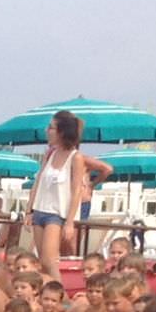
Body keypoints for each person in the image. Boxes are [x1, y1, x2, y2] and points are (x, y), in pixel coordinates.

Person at [24, 110, 110, 270]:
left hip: (57, 214)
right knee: (41, 262)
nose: (47, 131)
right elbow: (38, 181)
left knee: (49, 261)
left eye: (51, 128)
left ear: (61, 132)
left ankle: (61, 292)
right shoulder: (50, 153)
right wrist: (29, 209)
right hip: (40, 210)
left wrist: (70, 222)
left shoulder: (75, 157)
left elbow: (76, 190)